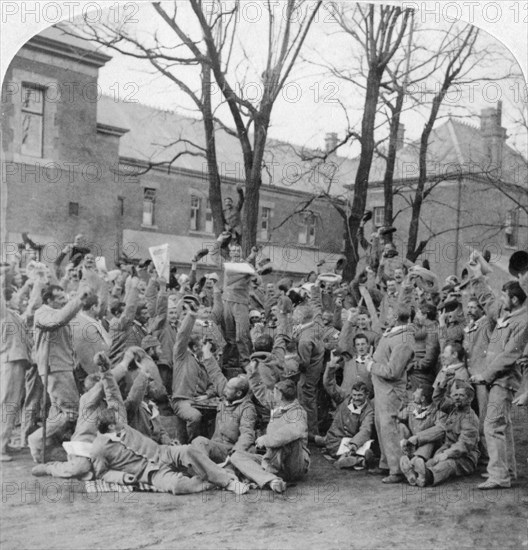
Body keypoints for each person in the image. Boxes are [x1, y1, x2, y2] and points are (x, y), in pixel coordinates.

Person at [91, 408, 247, 495]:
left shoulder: (123, 427)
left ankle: (228, 482)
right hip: (149, 472)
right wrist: (123, 477)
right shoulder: (99, 449)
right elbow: (102, 473)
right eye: (117, 420)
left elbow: (113, 392)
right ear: (111, 426)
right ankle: (212, 481)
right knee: (177, 486)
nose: (122, 421)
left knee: (188, 450)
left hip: (163, 452)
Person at [469, 274, 528, 489]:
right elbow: (487, 300)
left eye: (504, 295)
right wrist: (477, 277)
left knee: (492, 425)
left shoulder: (522, 322)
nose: (500, 299)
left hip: (504, 381)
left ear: (514, 300)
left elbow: (508, 356)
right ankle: (508, 470)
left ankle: (499, 476)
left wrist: (485, 375)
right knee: (504, 425)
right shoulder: (506, 313)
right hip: (497, 380)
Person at [31, 351, 126, 480]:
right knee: (79, 468)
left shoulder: (111, 403)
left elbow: (113, 392)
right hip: (84, 447)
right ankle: (49, 468)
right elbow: (102, 386)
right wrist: (121, 365)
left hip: (105, 449)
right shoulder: (86, 400)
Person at [28, 283, 92, 463]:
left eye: (65, 297)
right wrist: (78, 299)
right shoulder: (43, 312)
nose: (65, 300)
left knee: (59, 410)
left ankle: (46, 446)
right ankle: (36, 439)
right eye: (60, 298)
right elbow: (58, 320)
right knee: (71, 411)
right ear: (48, 300)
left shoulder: (55, 313)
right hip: (55, 368)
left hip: (61, 366)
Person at [229, 374, 309, 494]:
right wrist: (253, 372)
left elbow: (290, 433)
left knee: (286, 439)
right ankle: (271, 480)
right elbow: (260, 392)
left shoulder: (298, 413)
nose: (272, 394)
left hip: (293, 465)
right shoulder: (278, 407)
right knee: (236, 456)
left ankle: (263, 475)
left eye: (274, 392)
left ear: (280, 395)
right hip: (274, 461)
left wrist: (266, 439)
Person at [367, 306, 415, 483]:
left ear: (395, 316)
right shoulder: (393, 333)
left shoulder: (403, 339)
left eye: (387, 312)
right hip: (382, 389)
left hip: (391, 390)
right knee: (381, 425)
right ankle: (386, 464)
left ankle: (397, 470)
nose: (384, 315)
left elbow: (393, 371)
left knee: (390, 427)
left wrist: (371, 366)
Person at [400, 381, 479, 487]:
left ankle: (427, 477)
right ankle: (415, 474)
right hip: (445, 450)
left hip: (464, 459)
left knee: (446, 465)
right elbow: (438, 399)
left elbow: (464, 444)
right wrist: (441, 385)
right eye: (455, 395)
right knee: (430, 463)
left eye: (461, 395)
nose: (457, 398)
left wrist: (446, 454)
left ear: (470, 399)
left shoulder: (470, 418)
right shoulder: (453, 409)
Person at [191, 341, 256, 462]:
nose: (224, 390)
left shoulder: (247, 408)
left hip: (229, 450)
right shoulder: (227, 395)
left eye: (229, 388)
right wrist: (206, 353)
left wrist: (234, 455)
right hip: (216, 445)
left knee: (200, 442)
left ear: (238, 393)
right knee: (197, 443)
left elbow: (247, 435)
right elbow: (216, 374)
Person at [171, 301, 215, 442]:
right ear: (195, 345)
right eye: (202, 343)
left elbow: (213, 384)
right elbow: (182, 335)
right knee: (194, 416)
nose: (205, 346)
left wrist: (207, 395)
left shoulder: (205, 360)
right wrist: (191, 315)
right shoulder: (182, 355)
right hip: (182, 400)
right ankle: (194, 446)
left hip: (202, 402)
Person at [1, 285, 33, 461]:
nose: (19, 298)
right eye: (15, 296)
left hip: (17, 361)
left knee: (12, 404)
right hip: (10, 361)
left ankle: (4, 443)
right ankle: (0, 447)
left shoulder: (13, 314)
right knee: (7, 403)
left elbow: (30, 309)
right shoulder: (3, 313)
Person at [315, 381, 374, 469]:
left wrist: (354, 443)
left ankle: (357, 460)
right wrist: (330, 369)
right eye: (354, 395)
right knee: (339, 448)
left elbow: (366, 429)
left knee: (367, 445)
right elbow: (329, 384)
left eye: (360, 395)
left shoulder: (369, 411)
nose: (356, 398)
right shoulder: (345, 398)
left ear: (367, 395)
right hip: (337, 438)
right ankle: (360, 461)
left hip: (354, 439)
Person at [432, 343, 469, 410]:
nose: (442, 355)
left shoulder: (461, 375)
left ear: (454, 355)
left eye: (445, 352)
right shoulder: (445, 369)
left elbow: (455, 404)